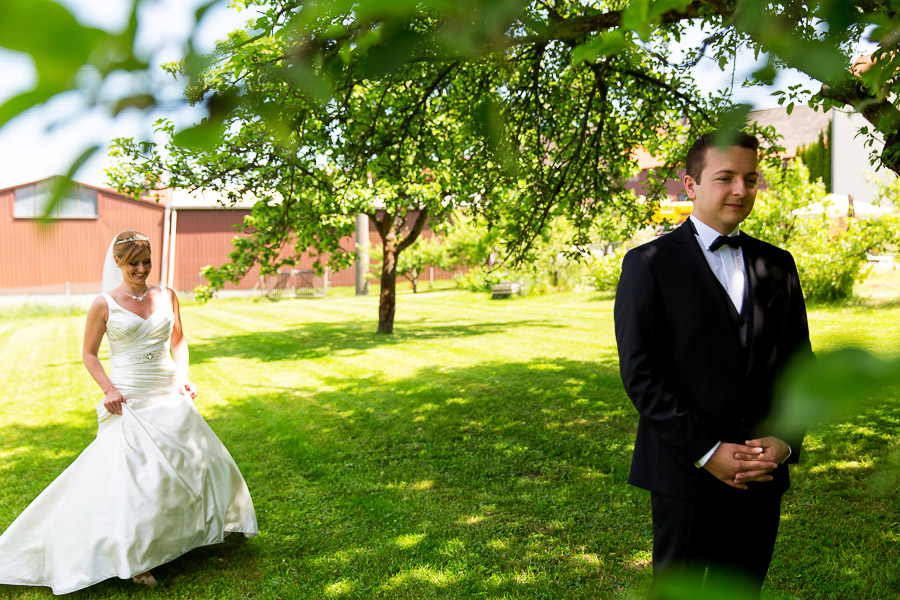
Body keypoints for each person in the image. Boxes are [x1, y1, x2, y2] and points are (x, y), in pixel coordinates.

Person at [0, 231, 257, 595]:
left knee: (199, 463)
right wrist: (108, 388)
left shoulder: (167, 296)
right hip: (130, 398)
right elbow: (89, 354)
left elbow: (179, 340)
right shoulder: (104, 304)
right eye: (133, 262)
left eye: (146, 261)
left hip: (168, 391)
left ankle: (203, 529)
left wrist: (184, 380)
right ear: (118, 263)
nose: (141, 269)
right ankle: (138, 558)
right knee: (138, 479)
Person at [614, 131, 813, 597]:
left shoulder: (778, 264)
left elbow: (800, 365)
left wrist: (785, 442)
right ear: (690, 185)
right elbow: (642, 374)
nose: (741, 190)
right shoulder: (649, 264)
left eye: (750, 178)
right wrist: (707, 451)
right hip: (684, 473)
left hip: (762, 474)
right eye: (725, 178)